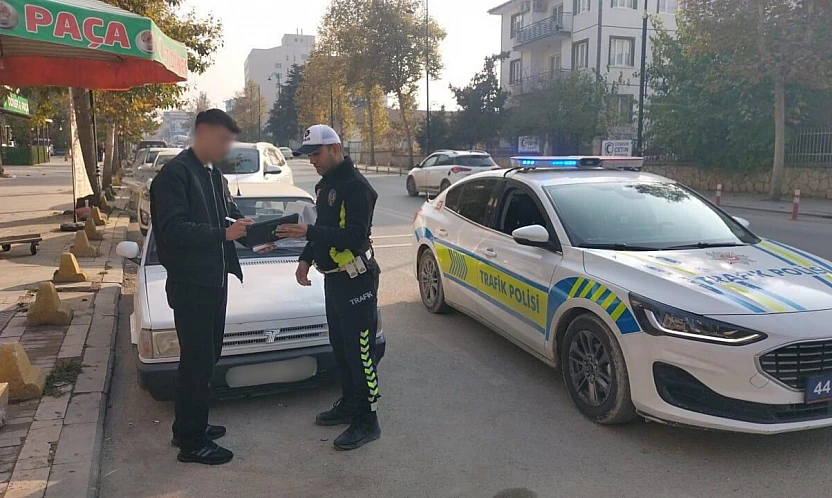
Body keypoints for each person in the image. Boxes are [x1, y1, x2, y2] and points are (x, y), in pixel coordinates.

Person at [149, 109, 253, 465]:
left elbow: (227, 215)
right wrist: (224, 233)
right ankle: (192, 444)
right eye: (223, 139)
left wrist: (253, 234)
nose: (227, 148)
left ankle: (191, 426)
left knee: (207, 359)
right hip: (191, 284)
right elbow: (174, 230)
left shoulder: (212, 174)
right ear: (204, 132)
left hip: (215, 281)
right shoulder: (174, 175)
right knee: (194, 364)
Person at [278, 124, 382, 451]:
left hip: (357, 279)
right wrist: (306, 259)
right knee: (341, 347)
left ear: (335, 148)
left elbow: (353, 235)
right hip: (335, 278)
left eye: (316, 153)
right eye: (308, 154)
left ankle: (368, 421)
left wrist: (308, 234)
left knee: (360, 351)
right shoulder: (326, 186)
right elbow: (322, 228)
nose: (312, 160)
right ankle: (350, 404)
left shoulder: (356, 186)